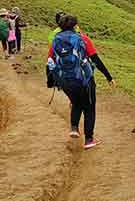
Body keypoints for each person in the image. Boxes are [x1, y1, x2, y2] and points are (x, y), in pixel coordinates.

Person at [48, 15, 115, 150]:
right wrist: (109, 77)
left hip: (65, 81)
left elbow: (50, 61)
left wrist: (51, 81)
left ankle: (74, 128)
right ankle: (89, 139)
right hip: (84, 80)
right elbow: (96, 59)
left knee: (76, 102)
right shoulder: (82, 39)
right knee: (89, 107)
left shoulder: (56, 40)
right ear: (75, 26)